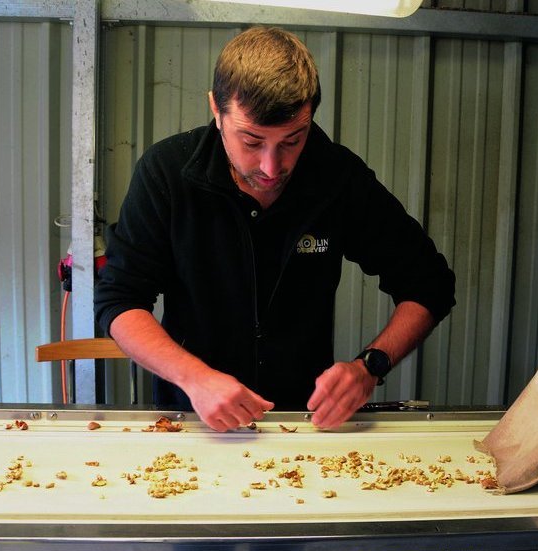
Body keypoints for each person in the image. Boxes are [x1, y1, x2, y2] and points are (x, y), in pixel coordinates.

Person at [95, 26, 455, 432]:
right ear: (216, 109)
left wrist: (370, 366)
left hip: (303, 423)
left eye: (292, 141)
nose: (271, 167)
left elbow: (430, 283)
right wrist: (194, 377)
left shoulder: (338, 177)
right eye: (252, 141)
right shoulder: (166, 171)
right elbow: (119, 300)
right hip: (193, 419)